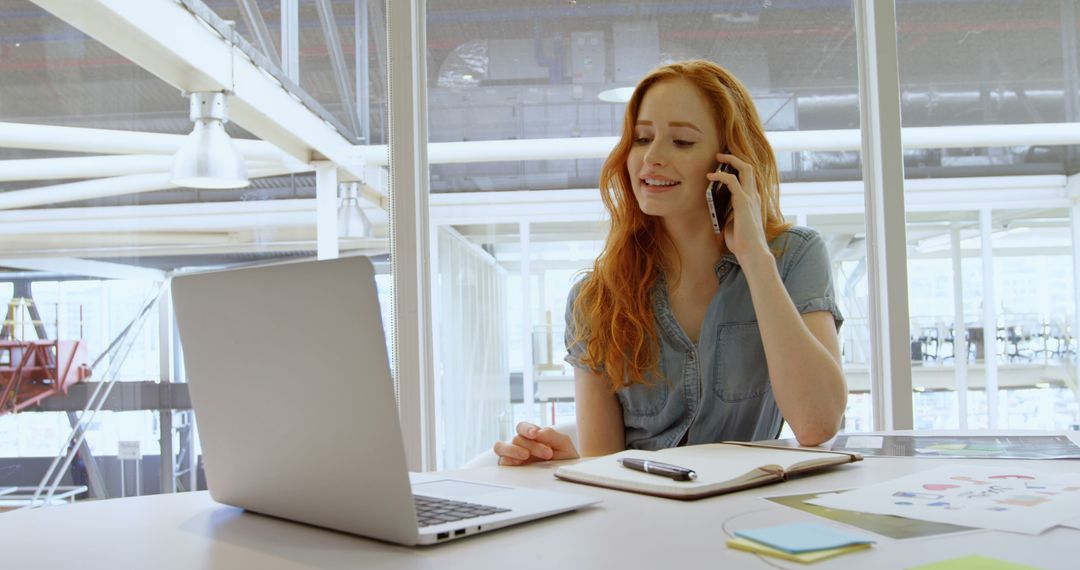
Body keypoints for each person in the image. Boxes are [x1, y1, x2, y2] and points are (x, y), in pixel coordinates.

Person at [493, 59, 847, 466]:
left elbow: (817, 424)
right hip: (646, 519)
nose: (652, 157)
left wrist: (754, 257)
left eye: (681, 142)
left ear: (727, 162)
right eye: (642, 139)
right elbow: (605, 465)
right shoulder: (595, 298)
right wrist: (566, 464)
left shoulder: (792, 257)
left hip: (750, 516)